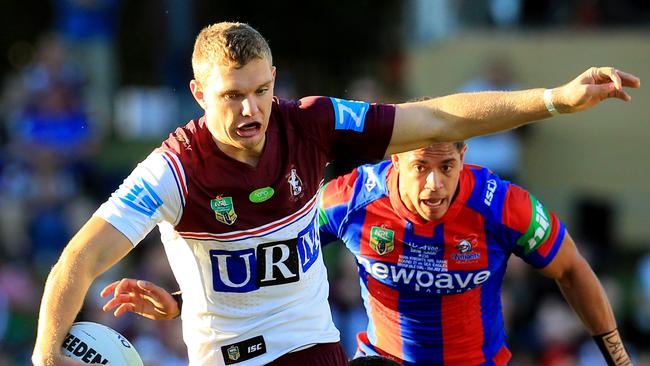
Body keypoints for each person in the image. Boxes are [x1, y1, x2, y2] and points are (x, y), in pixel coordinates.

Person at [31, 20, 640, 366]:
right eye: (232, 96)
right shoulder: (174, 170)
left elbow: (440, 120)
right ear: (198, 93)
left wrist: (554, 101)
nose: (252, 110)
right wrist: (43, 355)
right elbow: (77, 259)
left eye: (262, 91)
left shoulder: (313, 123)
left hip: (315, 349)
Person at [108, 141, 635, 366]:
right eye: (420, 168)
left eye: (447, 168)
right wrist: (180, 299)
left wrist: (619, 359)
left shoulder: (504, 206)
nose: (434, 186)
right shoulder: (350, 199)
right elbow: (267, 255)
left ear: (464, 158)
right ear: (394, 159)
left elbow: (571, 269)